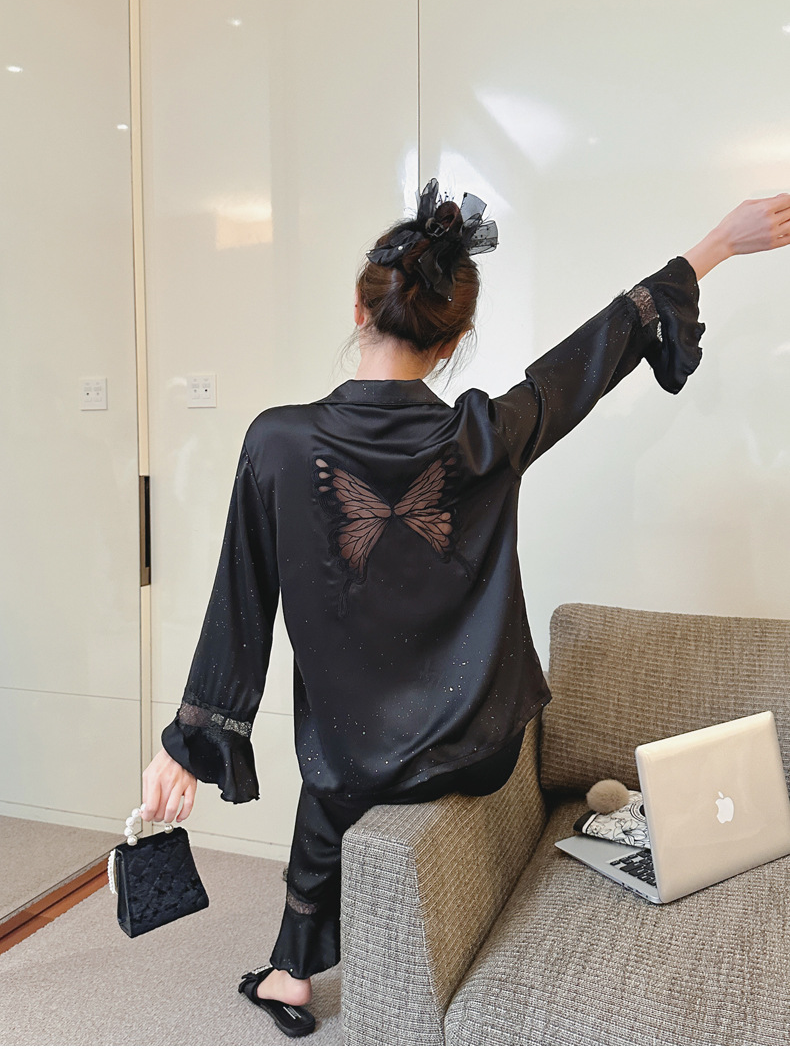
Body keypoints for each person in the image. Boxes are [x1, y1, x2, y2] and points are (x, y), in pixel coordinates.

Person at [142, 180, 789, 1037]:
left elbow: (243, 596)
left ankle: (290, 973)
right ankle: (292, 966)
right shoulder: (484, 435)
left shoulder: (277, 440)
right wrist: (718, 244)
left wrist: (187, 745)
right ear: (452, 344)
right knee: (348, 749)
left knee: (335, 761)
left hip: (356, 760)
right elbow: (589, 358)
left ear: (359, 309)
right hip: (478, 749)